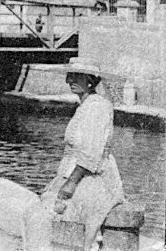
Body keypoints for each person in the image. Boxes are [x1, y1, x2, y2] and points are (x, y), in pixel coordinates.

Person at [22, 58, 125, 251]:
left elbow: (91, 152)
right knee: (37, 216)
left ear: (90, 80)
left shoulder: (98, 107)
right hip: (74, 174)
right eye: (70, 76)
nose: (70, 80)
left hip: (92, 178)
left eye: (77, 76)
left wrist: (70, 183)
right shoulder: (84, 106)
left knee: (49, 218)